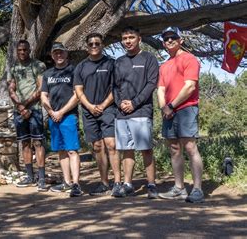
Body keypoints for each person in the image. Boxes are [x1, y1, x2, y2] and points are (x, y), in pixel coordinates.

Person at [157, 27, 204, 203]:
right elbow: (160, 89)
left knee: (190, 147)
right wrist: (164, 108)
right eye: (166, 39)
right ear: (163, 43)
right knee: (174, 149)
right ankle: (179, 188)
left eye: (173, 38)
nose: (169, 41)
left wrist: (171, 106)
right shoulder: (164, 65)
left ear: (180, 40)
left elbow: (190, 86)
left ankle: (197, 189)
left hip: (186, 108)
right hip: (168, 112)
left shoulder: (189, 59)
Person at [112, 26, 159, 199]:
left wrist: (134, 103)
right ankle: (128, 184)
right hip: (122, 113)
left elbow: (151, 84)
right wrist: (120, 104)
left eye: (131, 37)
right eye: (125, 38)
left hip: (141, 111)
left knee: (145, 149)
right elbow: (115, 87)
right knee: (126, 150)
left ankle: (152, 185)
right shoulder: (118, 61)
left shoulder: (149, 58)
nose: (128, 41)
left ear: (139, 38)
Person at [74, 33, 121, 196]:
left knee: (111, 144)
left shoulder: (111, 63)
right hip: (88, 111)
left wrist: (102, 105)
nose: (94, 46)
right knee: (97, 146)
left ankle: (118, 183)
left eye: (97, 43)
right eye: (91, 44)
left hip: (108, 109)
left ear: (102, 45)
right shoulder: (80, 67)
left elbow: (116, 88)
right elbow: (78, 91)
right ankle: (104, 183)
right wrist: (89, 106)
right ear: (87, 46)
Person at [41, 43, 82, 197]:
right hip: (53, 117)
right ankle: (66, 182)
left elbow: (77, 95)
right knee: (61, 151)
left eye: (61, 53)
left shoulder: (74, 71)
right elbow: (44, 95)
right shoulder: (47, 74)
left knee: (72, 150)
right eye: (56, 53)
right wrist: (51, 111)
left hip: (69, 116)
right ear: (52, 56)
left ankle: (76, 184)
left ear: (66, 54)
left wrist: (62, 111)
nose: (59, 55)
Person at [8, 40, 47, 191]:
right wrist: (20, 106)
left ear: (29, 49)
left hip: (35, 109)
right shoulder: (14, 68)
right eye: (19, 50)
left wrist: (26, 105)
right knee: (24, 143)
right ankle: (30, 176)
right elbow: (11, 88)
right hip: (19, 111)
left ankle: (42, 177)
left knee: (38, 143)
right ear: (16, 51)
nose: (22, 52)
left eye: (25, 49)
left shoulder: (38, 65)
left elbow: (40, 87)